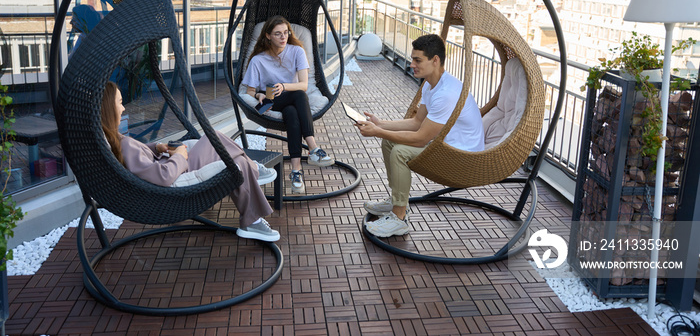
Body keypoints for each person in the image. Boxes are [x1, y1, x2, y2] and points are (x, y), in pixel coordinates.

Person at [101, 81, 280, 242]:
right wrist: (179, 155)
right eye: (119, 102)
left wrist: (156, 147)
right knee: (217, 141)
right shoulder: (123, 146)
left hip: (172, 165)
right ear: (109, 108)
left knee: (227, 151)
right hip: (178, 172)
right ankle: (253, 174)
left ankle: (253, 197)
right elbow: (162, 176)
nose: (123, 108)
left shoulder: (116, 141)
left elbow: (140, 160)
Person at [356, 34, 485, 238]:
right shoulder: (430, 84)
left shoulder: (447, 93)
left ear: (435, 60)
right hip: (446, 145)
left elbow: (421, 138)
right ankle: (397, 200)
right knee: (389, 140)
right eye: (412, 59)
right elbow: (417, 123)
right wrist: (381, 124)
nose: (411, 64)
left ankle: (399, 218)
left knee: (399, 151)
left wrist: (377, 131)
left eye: (418, 60)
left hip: (462, 155)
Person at [242, 15, 334, 194]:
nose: (283, 37)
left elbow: (304, 85)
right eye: (278, 34)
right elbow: (249, 92)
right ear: (268, 36)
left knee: (292, 112)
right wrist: (260, 94)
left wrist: (283, 86)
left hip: (293, 98)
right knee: (298, 96)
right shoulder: (258, 60)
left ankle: (295, 171)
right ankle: (313, 148)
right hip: (270, 100)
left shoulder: (297, 51)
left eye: (286, 33)